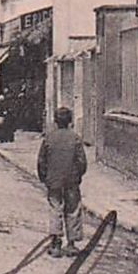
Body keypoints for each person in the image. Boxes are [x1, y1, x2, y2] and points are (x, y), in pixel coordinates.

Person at [37, 106, 88, 257]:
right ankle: (71, 244)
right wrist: (78, 175)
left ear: (56, 121)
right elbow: (82, 162)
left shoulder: (49, 138)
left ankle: (55, 243)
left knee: (55, 209)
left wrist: (44, 177)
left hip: (54, 181)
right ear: (70, 121)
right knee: (73, 210)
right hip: (71, 180)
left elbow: (41, 161)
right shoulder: (75, 138)